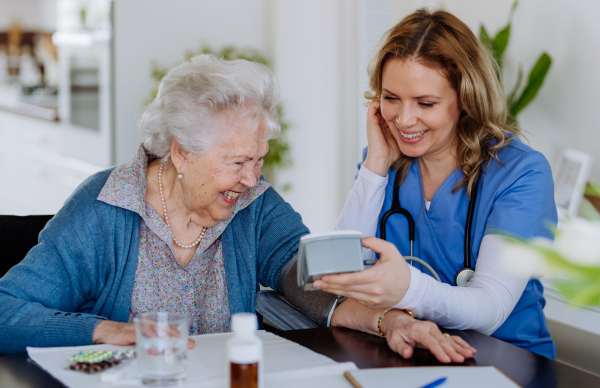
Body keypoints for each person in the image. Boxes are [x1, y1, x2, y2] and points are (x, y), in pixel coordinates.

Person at [0, 54, 474, 363]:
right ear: (181, 152)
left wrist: (391, 319)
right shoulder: (105, 207)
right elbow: (6, 311)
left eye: (259, 160)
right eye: (238, 162)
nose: (252, 179)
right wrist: (106, 330)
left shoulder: (253, 205)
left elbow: (307, 279)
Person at [315, 9, 557, 359]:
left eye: (425, 103)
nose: (404, 119)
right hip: (407, 354)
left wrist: (407, 288)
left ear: (466, 98)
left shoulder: (521, 173)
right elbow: (340, 273)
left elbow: (490, 309)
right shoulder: (385, 164)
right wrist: (376, 165)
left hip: (505, 361)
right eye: (391, 98)